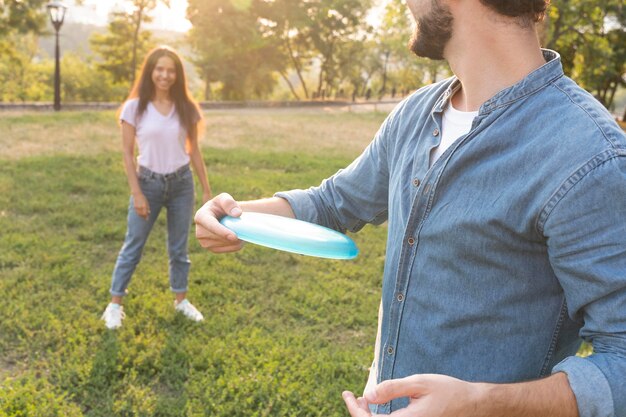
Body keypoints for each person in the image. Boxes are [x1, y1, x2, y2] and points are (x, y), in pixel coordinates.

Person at [194, 0, 626, 415]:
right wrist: (235, 215)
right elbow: (335, 201)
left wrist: (479, 404)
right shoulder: (416, 114)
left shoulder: (589, 157)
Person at [101, 46, 212, 330]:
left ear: (177, 75)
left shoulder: (185, 108)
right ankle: (114, 305)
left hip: (181, 184)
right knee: (133, 246)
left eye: (171, 70)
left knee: (179, 248)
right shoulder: (134, 108)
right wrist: (137, 192)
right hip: (148, 184)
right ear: (150, 71)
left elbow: (194, 150)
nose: (165, 75)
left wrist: (206, 189)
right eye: (159, 69)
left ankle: (181, 301)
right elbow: (127, 153)